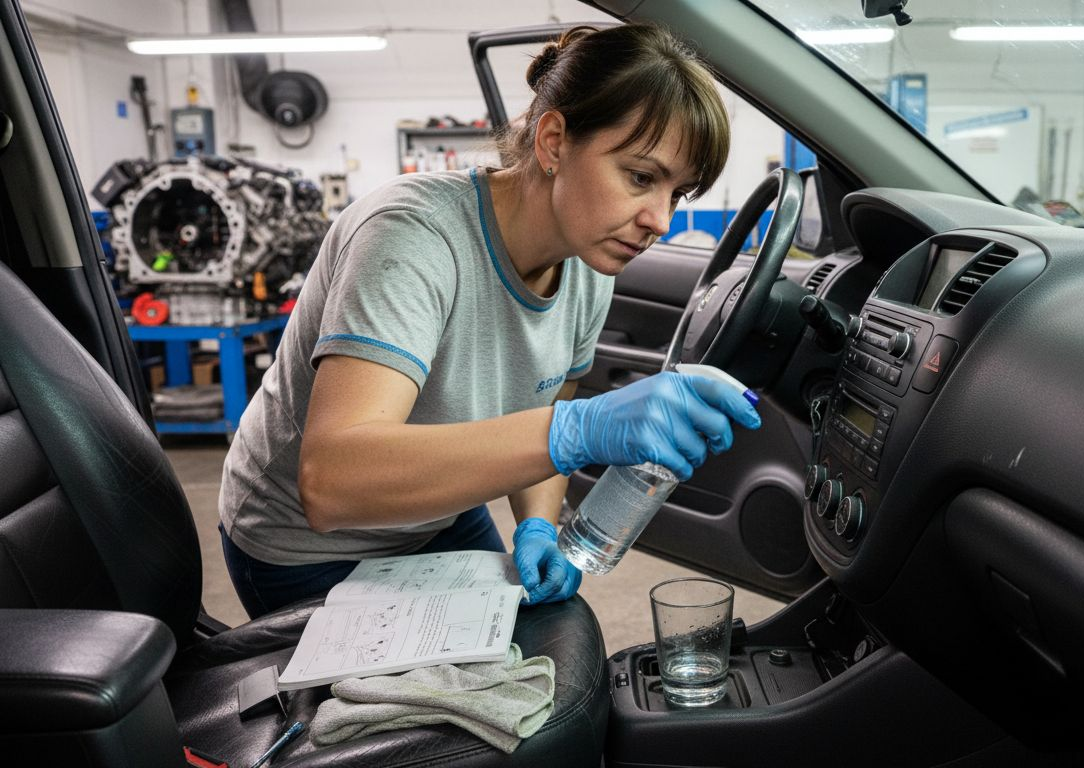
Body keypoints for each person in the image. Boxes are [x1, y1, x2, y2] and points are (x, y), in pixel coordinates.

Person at [218, 23, 759, 619]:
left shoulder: (589, 266)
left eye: (679, 193)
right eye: (640, 176)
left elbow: (536, 419)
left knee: (533, 650)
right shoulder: (412, 237)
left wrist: (538, 525)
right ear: (553, 142)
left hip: (436, 513)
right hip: (306, 545)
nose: (659, 218)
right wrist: (575, 430)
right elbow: (332, 483)